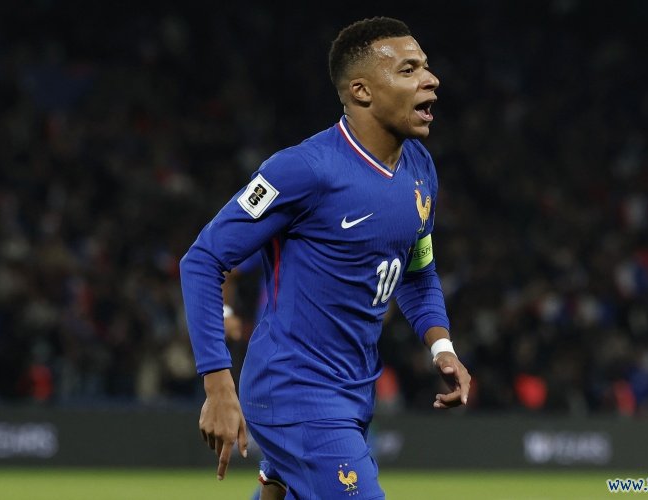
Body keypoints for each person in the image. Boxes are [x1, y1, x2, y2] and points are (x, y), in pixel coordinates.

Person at [180, 16, 470, 500]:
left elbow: (418, 273)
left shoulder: (420, 169)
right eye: (409, 69)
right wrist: (217, 385)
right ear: (362, 91)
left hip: (355, 388)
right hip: (295, 388)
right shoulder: (303, 170)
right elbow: (203, 260)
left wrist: (442, 347)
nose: (431, 79)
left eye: (426, 66)